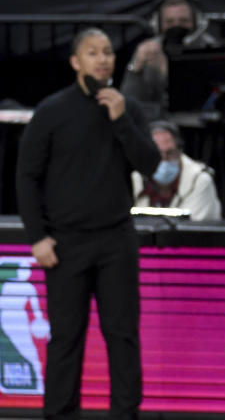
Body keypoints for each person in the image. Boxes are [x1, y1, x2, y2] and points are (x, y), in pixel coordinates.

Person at [15, 28, 160, 420]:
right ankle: (60, 414)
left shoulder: (127, 108)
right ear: (76, 62)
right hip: (64, 243)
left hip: (116, 239)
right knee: (65, 339)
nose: (102, 59)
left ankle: (125, 414)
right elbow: (26, 176)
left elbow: (151, 165)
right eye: (93, 53)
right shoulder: (52, 111)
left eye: (108, 52)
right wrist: (37, 238)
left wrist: (120, 120)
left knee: (123, 337)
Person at [121, 0, 219, 120]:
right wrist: (136, 67)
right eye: (170, 22)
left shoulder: (210, 48)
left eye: (183, 21)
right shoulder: (148, 50)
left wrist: (170, 72)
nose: (176, 26)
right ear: (158, 24)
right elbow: (129, 102)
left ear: (197, 22)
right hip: (159, 123)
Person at [131, 120, 221, 221]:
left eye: (170, 153)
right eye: (157, 153)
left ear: (180, 151)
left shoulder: (200, 180)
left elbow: (193, 231)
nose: (163, 160)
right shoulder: (133, 177)